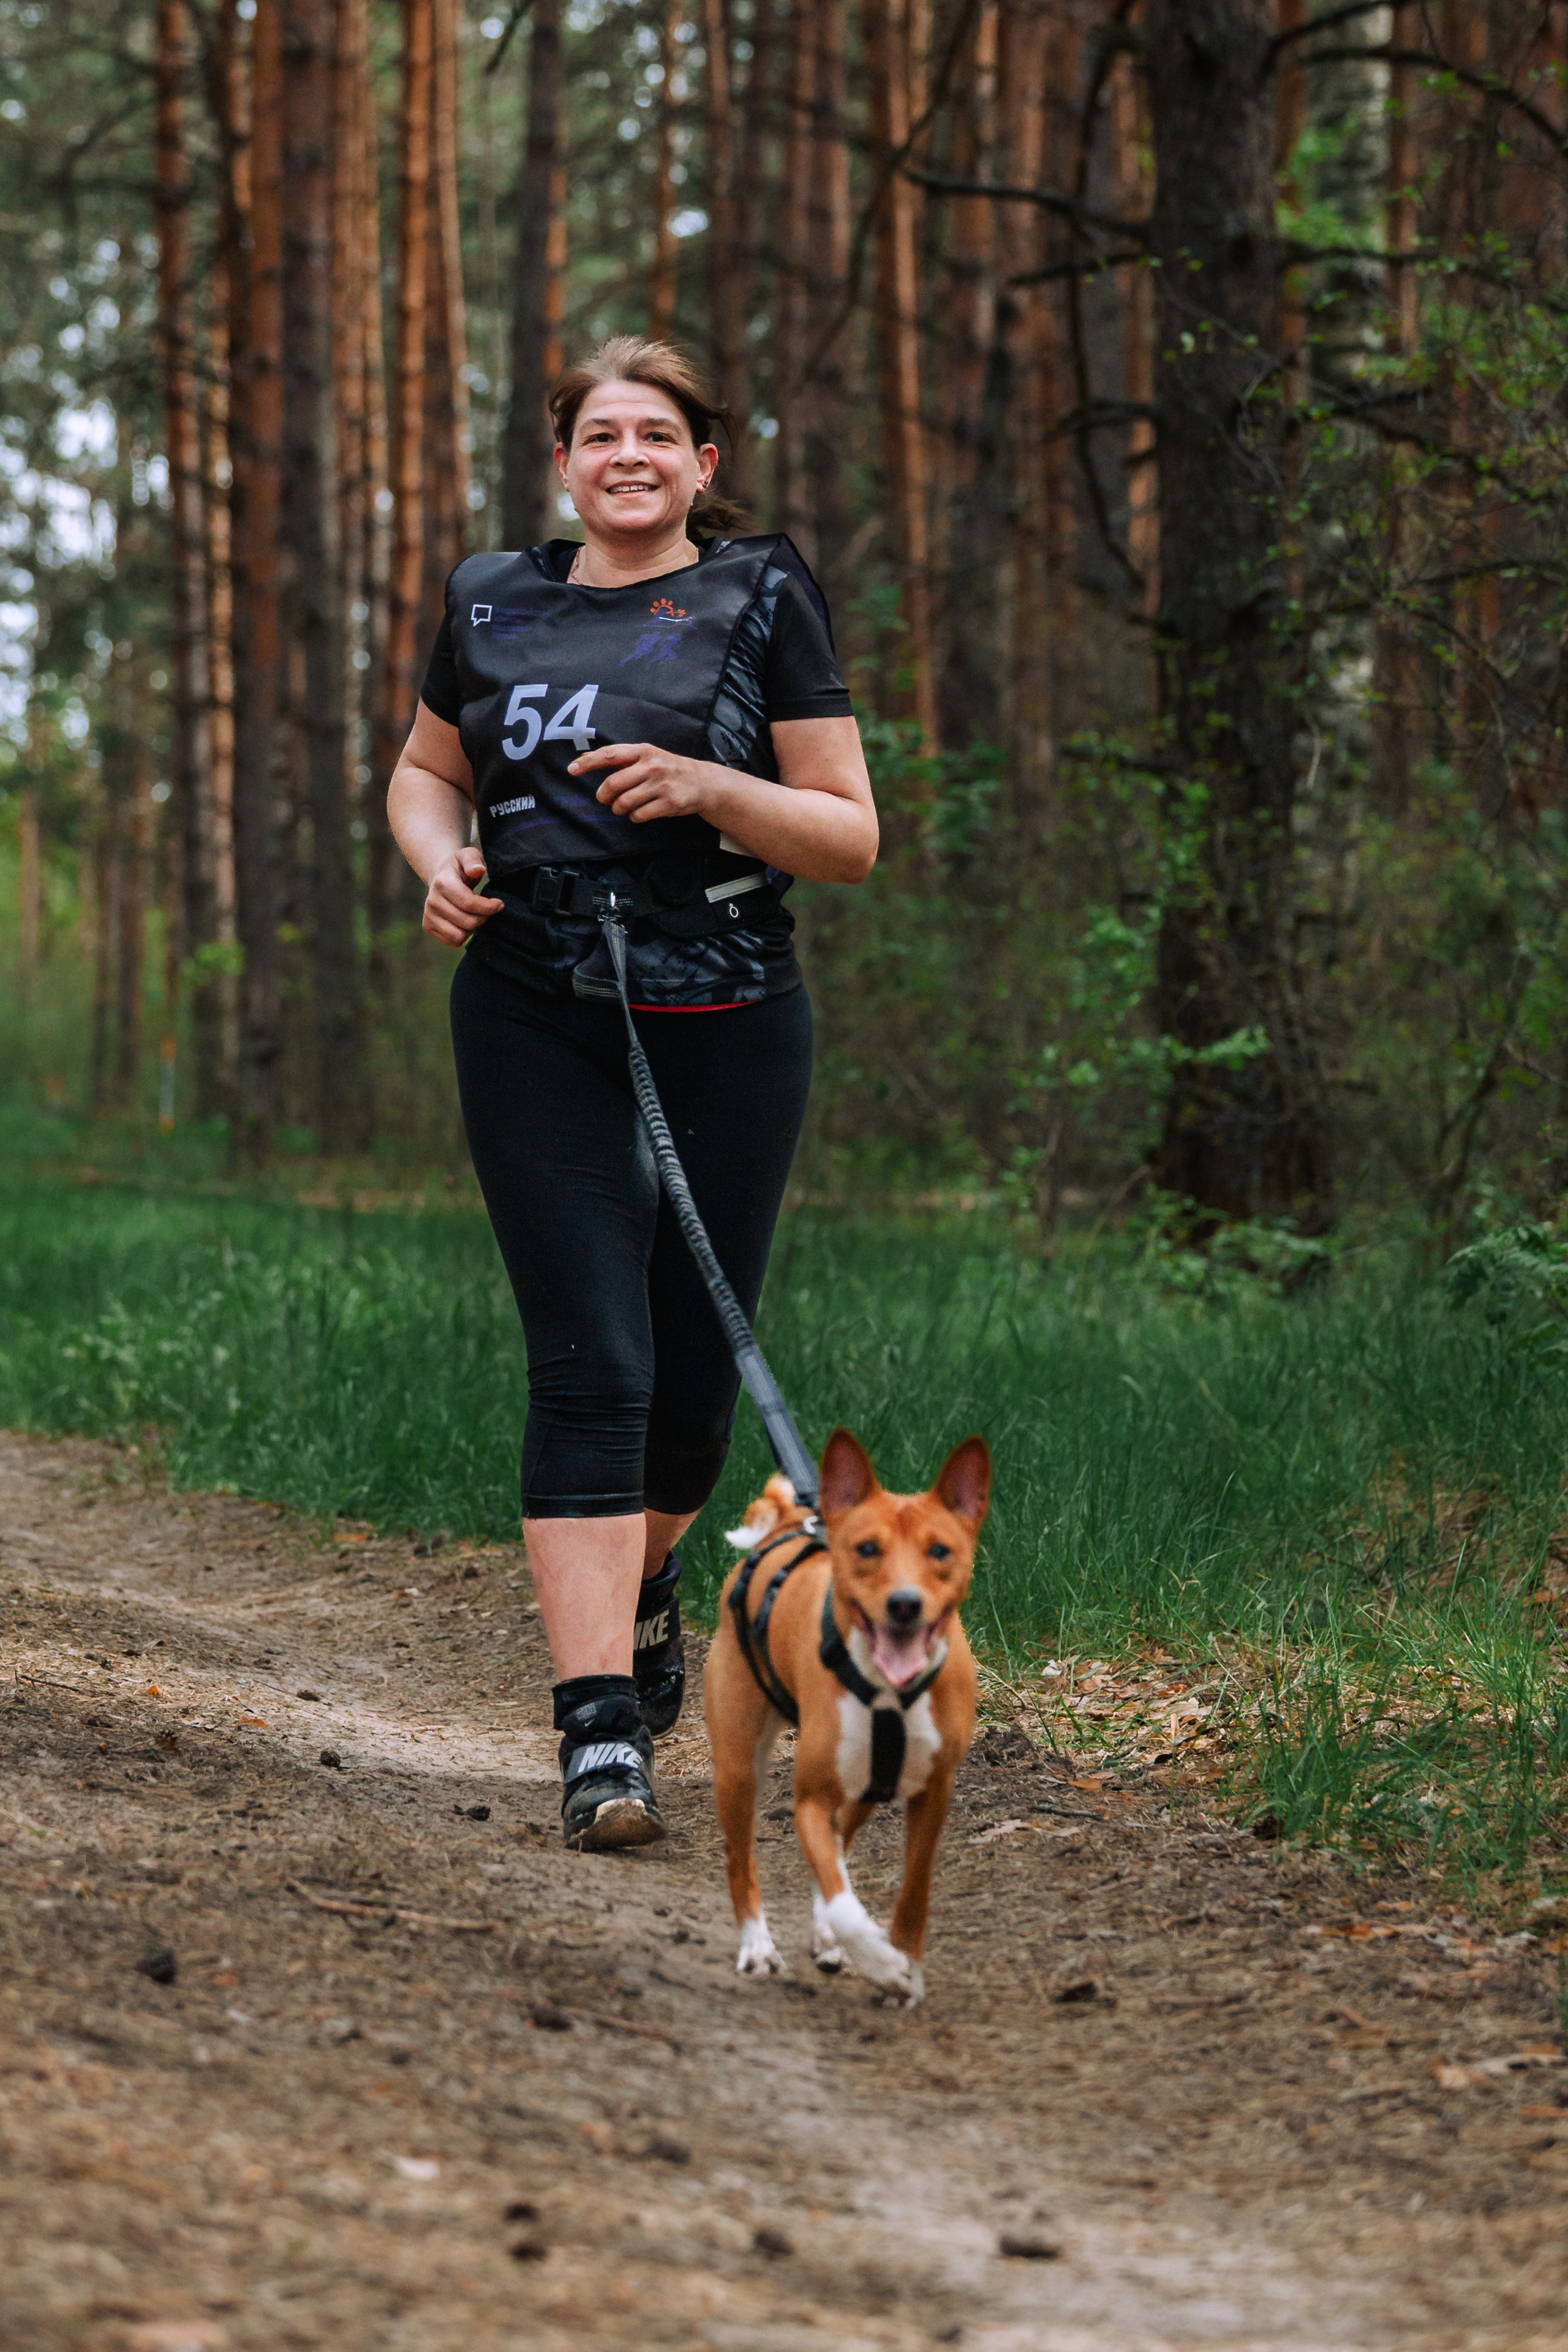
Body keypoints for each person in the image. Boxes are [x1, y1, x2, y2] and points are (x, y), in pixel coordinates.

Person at [388, 336, 878, 1852]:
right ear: (564, 462)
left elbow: (848, 835)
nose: (627, 457)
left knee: (687, 1384)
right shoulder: (488, 597)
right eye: (599, 434)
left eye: (656, 435)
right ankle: (599, 1733)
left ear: (701, 464)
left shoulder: (762, 596)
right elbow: (423, 770)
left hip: (726, 1009)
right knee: (589, 1358)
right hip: (538, 1008)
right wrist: (438, 863)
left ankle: (653, 1578)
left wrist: (712, 790)